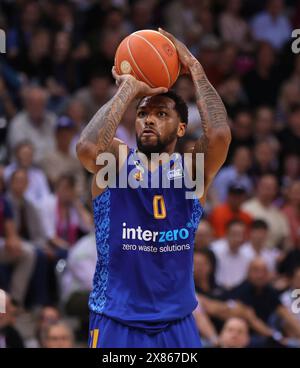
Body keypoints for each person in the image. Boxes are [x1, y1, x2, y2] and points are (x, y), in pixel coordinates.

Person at [76, 28, 231, 348]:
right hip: (116, 319)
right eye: (143, 113)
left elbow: (218, 136)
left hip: (176, 321)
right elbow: (87, 148)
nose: (149, 120)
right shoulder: (116, 161)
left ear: (182, 127)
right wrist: (128, 90)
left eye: (162, 114)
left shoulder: (191, 171)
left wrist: (196, 70)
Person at [211, 220, 252, 290]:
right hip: (217, 289)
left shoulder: (248, 254)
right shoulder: (214, 250)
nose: (238, 238)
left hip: (238, 291)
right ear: (226, 234)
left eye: (241, 234)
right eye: (235, 234)